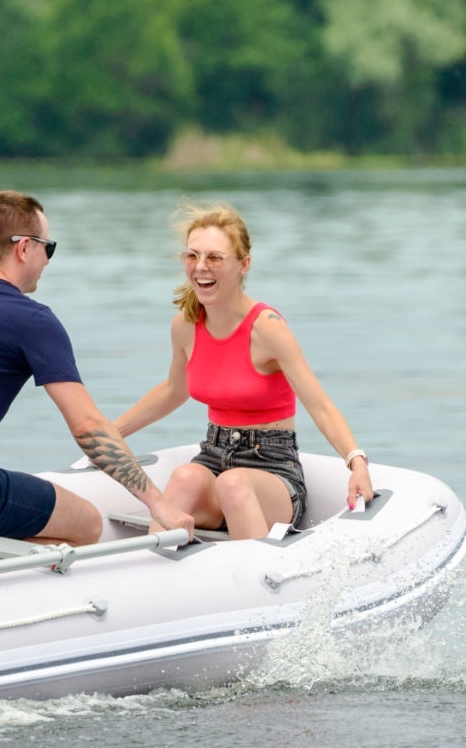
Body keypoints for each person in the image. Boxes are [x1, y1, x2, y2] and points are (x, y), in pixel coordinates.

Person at [0, 190, 190, 545]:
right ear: (24, 247)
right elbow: (88, 426)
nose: (47, 260)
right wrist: (158, 503)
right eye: (49, 248)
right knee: (86, 523)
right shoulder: (32, 320)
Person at [110, 202, 371, 541]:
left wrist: (356, 462)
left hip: (272, 468)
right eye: (193, 256)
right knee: (184, 477)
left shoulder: (268, 328)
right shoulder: (185, 326)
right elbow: (175, 389)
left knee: (233, 485)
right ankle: (149, 570)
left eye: (215, 257)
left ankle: (252, 582)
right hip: (213, 454)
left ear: (243, 265)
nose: (201, 267)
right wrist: (109, 434)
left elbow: (319, 405)